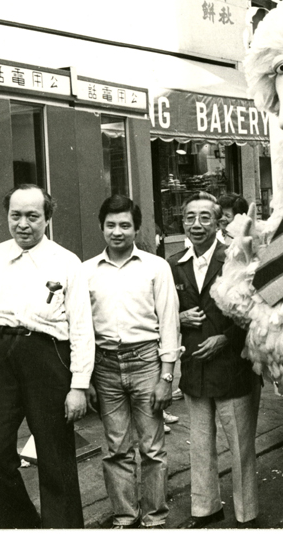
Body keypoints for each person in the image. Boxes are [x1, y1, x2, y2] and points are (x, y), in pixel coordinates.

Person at [0, 184, 95, 529]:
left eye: (32, 216)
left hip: (47, 358)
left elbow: (81, 327)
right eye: (15, 215)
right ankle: (24, 525)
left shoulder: (66, 262)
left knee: (55, 457)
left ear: (47, 218)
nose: (23, 224)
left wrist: (79, 385)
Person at [83, 195, 180, 529]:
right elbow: (82, 329)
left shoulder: (156, 267)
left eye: (125, 225)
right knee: (116, 449)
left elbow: (169, 322)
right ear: (101, 228)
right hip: (105, 366)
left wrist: (166, 377)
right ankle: (125, 517)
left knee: (152, 449)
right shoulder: (86, 272)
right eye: (111, 225)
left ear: (137, 228)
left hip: (146, 363)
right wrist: (88, 379)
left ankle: (154, 518)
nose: (117, 231)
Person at [169, 192, 261, 529]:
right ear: (182, 223)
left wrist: (225, 338)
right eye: (190, 217)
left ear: (218, 221)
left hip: (234, 368)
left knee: (240, 447)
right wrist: (178, 317)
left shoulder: (237, 257)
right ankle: (205, 509)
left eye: (205, 217)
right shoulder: (173, 264)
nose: (196, 224)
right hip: (195, 368)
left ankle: (246, 514)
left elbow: (256, 310)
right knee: (200, 446)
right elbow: (161, 313)